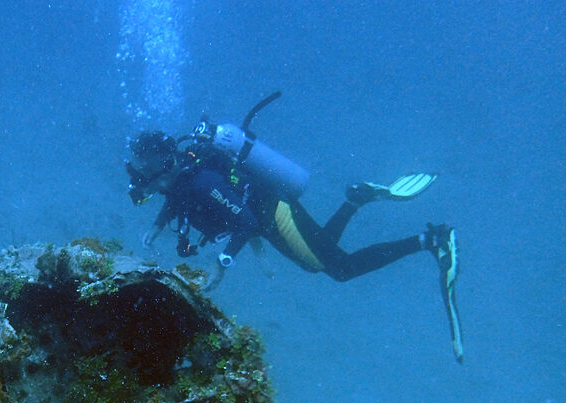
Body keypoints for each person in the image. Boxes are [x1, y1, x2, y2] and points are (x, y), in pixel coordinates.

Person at [126, 97, 463, 363]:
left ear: (166, 160)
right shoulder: (180, 181)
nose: (143, 176)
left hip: (274, 213)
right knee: (321, 257)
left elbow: (245, 222)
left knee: (339, 268)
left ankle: (431, 241)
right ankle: (356, 200)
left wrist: (222, 263)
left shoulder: (200, 181)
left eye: (150, 166)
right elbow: (177, 201)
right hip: (268, 212)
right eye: (142, 168)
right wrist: (157, 228)